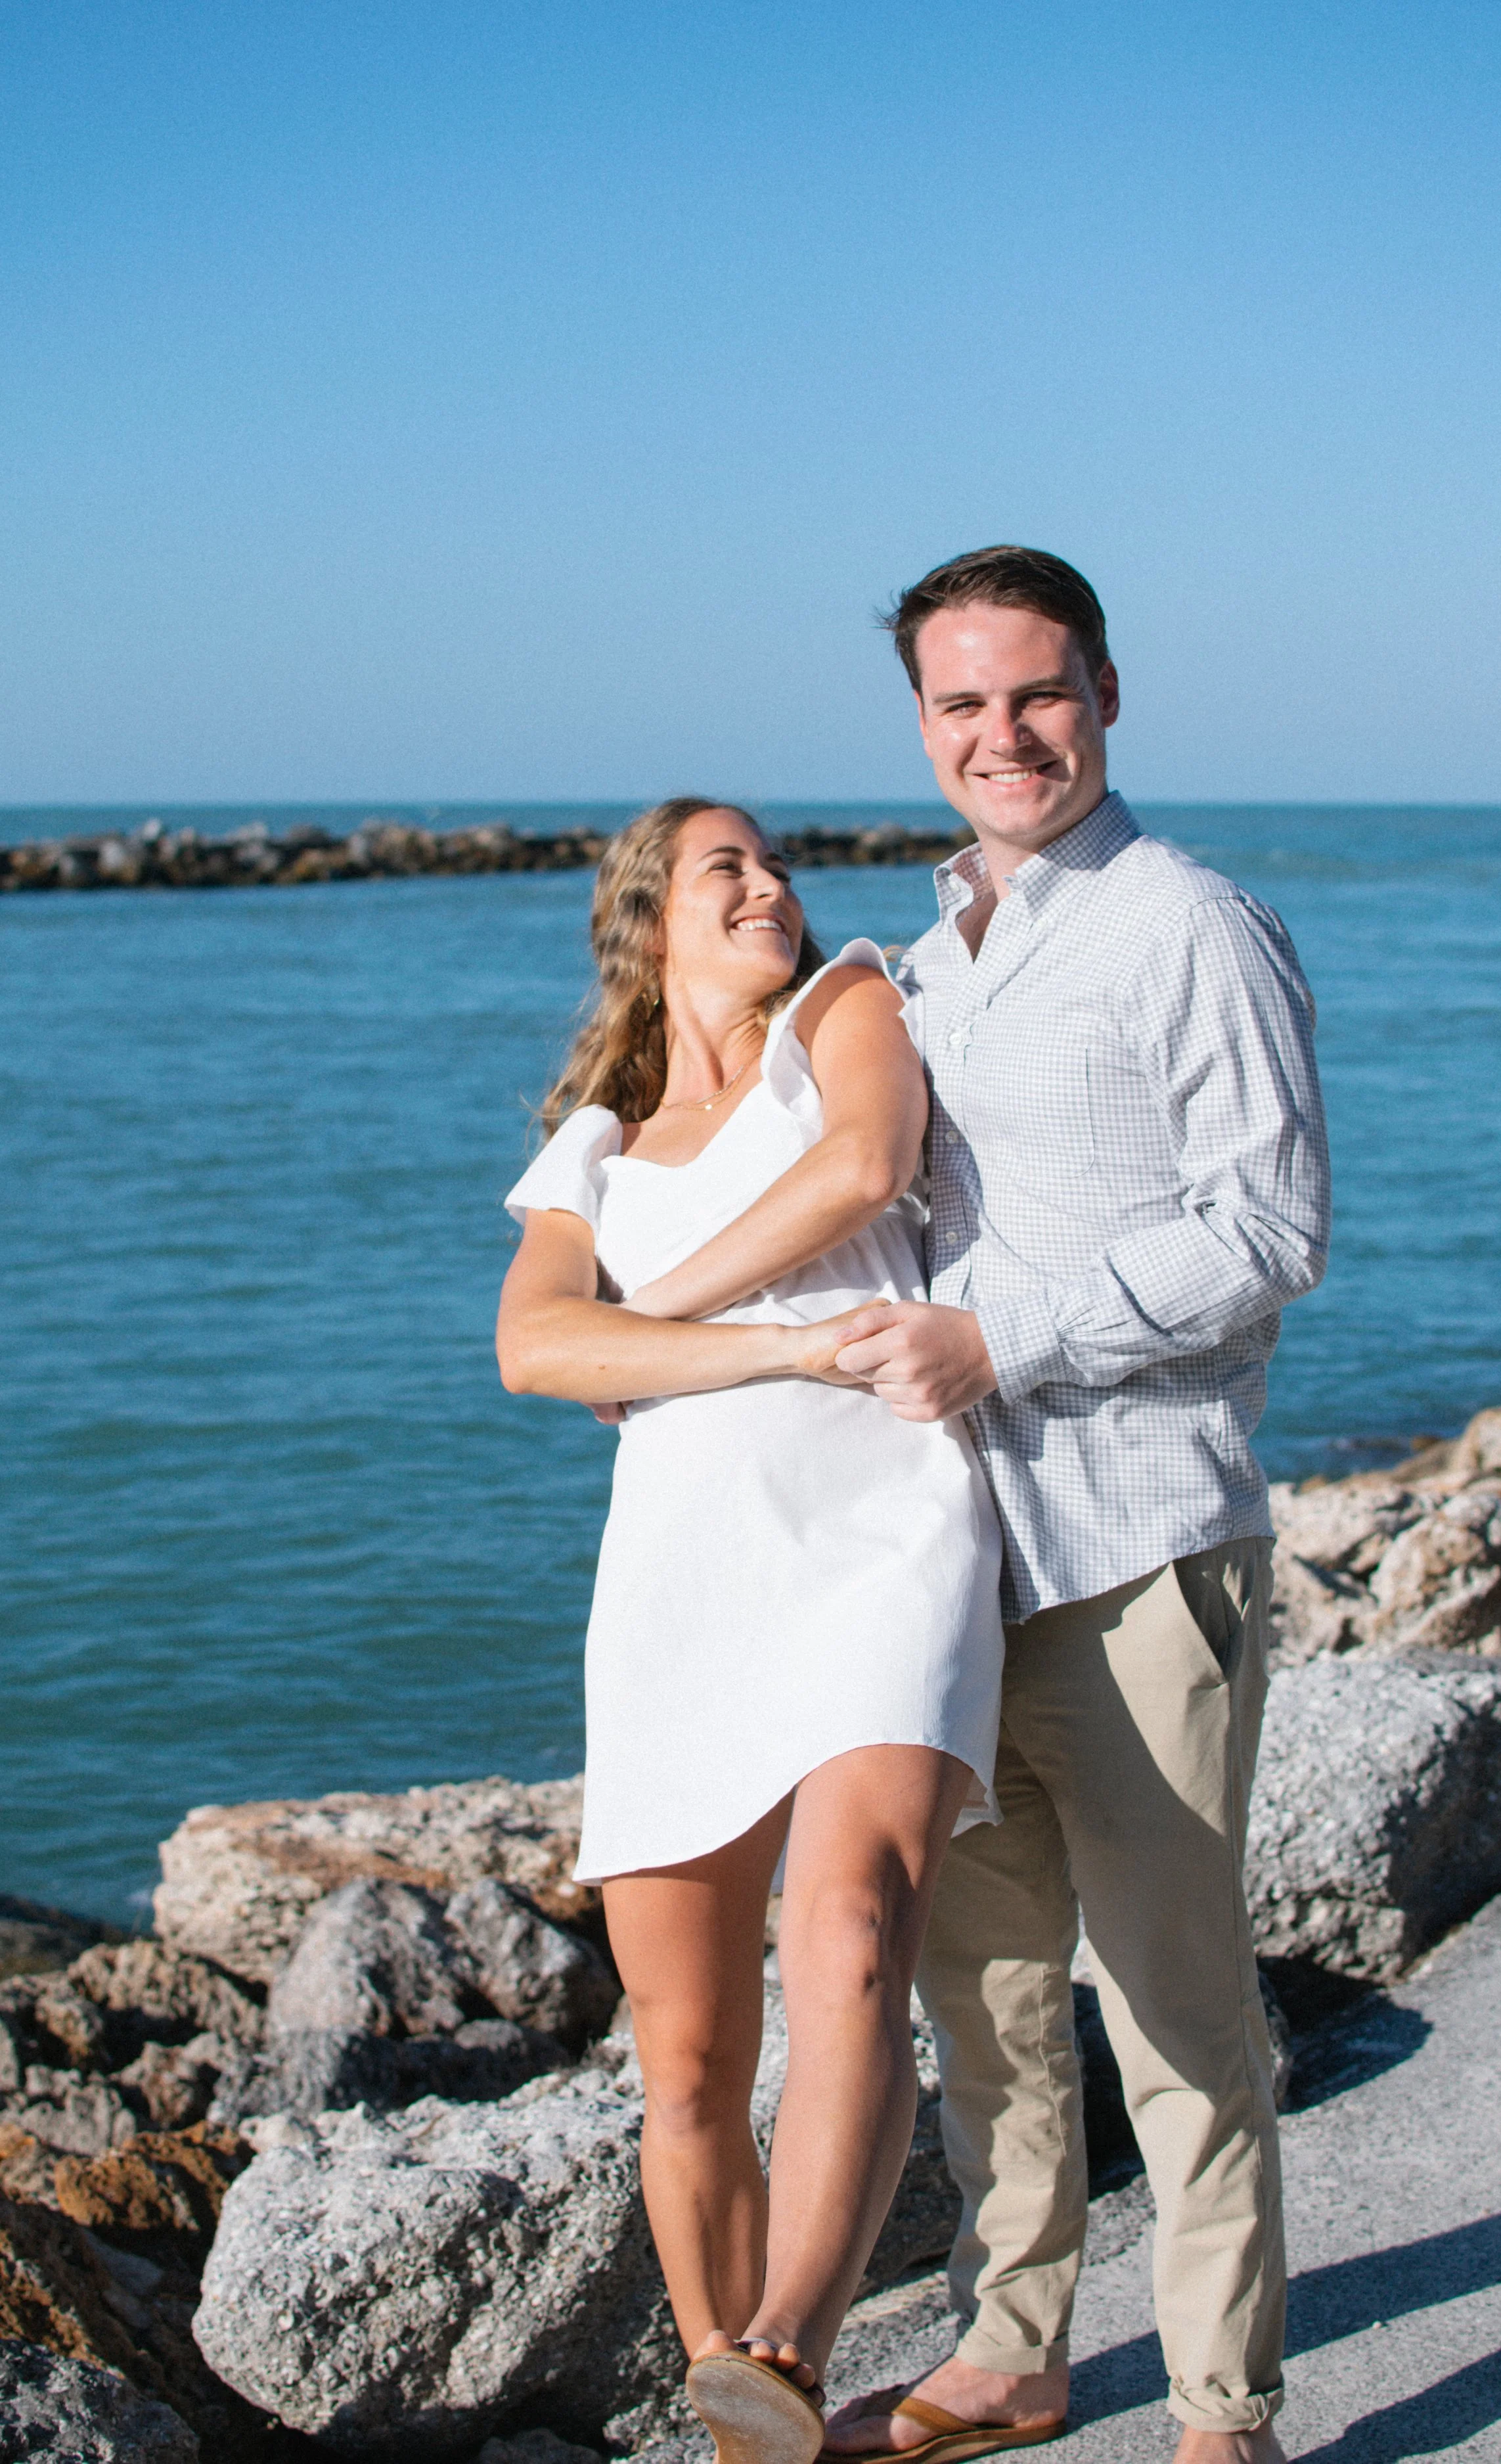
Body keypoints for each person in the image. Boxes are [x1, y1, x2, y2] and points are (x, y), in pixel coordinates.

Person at [821, 548, 1330, 2464]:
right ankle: (1009, 2348)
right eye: (959, 703)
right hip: (952, 1562)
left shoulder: (1188, 923)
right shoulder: (928, 961)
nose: (1000, 733)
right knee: (987, 1992)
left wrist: (994, 1338)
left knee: (1182, 2010)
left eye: (1032, 692)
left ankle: (1221, 2408)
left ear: (1104, 690)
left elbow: (1269, 1226)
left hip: (1138, 1542)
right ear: (923, 725)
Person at [495, 796, 1006, 2464]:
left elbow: (862, 1166)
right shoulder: (592, 1140)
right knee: (689, 2051)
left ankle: (788, 2340)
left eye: (774, 862)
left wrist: (647, 1323)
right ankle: (736, 2408)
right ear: (647, 923)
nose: (770, 886)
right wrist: (776, 1347)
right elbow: (533, 1356)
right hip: (677, 1583)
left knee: (853, 1925)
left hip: (885, 1529)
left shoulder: (839, 1008)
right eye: (727, 870)